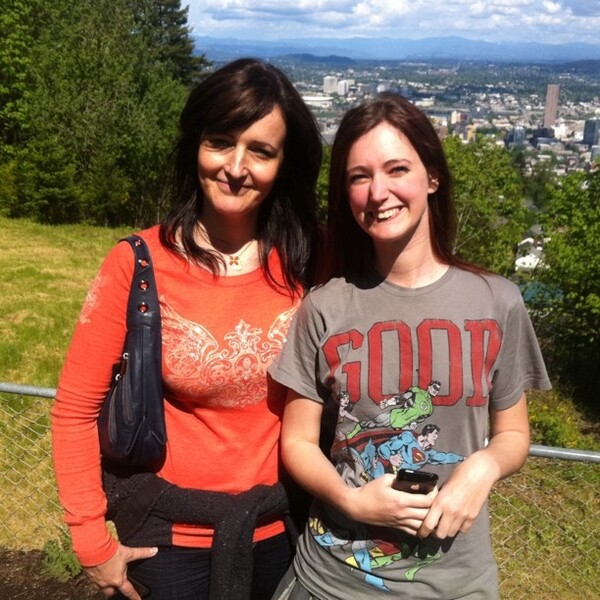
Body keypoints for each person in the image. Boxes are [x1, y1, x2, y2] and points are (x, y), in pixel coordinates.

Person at [51, 58, 322, 600]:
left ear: (284, 164)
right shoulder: (138, 264)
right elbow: (75, 410)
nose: (236, 167)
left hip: (291, 535)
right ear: (194, 146)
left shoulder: (312, 260)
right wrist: (90, 542)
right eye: (220, 142)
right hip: (168, 544)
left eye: (261, 151)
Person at [268, 92, 551, 599]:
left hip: (455, 583)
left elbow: (512, 434)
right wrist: (352, 502)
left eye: (397, 168)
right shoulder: (325, 306)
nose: (378, 192)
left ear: (432, 177)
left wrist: (482, 467)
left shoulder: (497, 301)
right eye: (359, 176)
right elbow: (297, 443)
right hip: (333, 579)